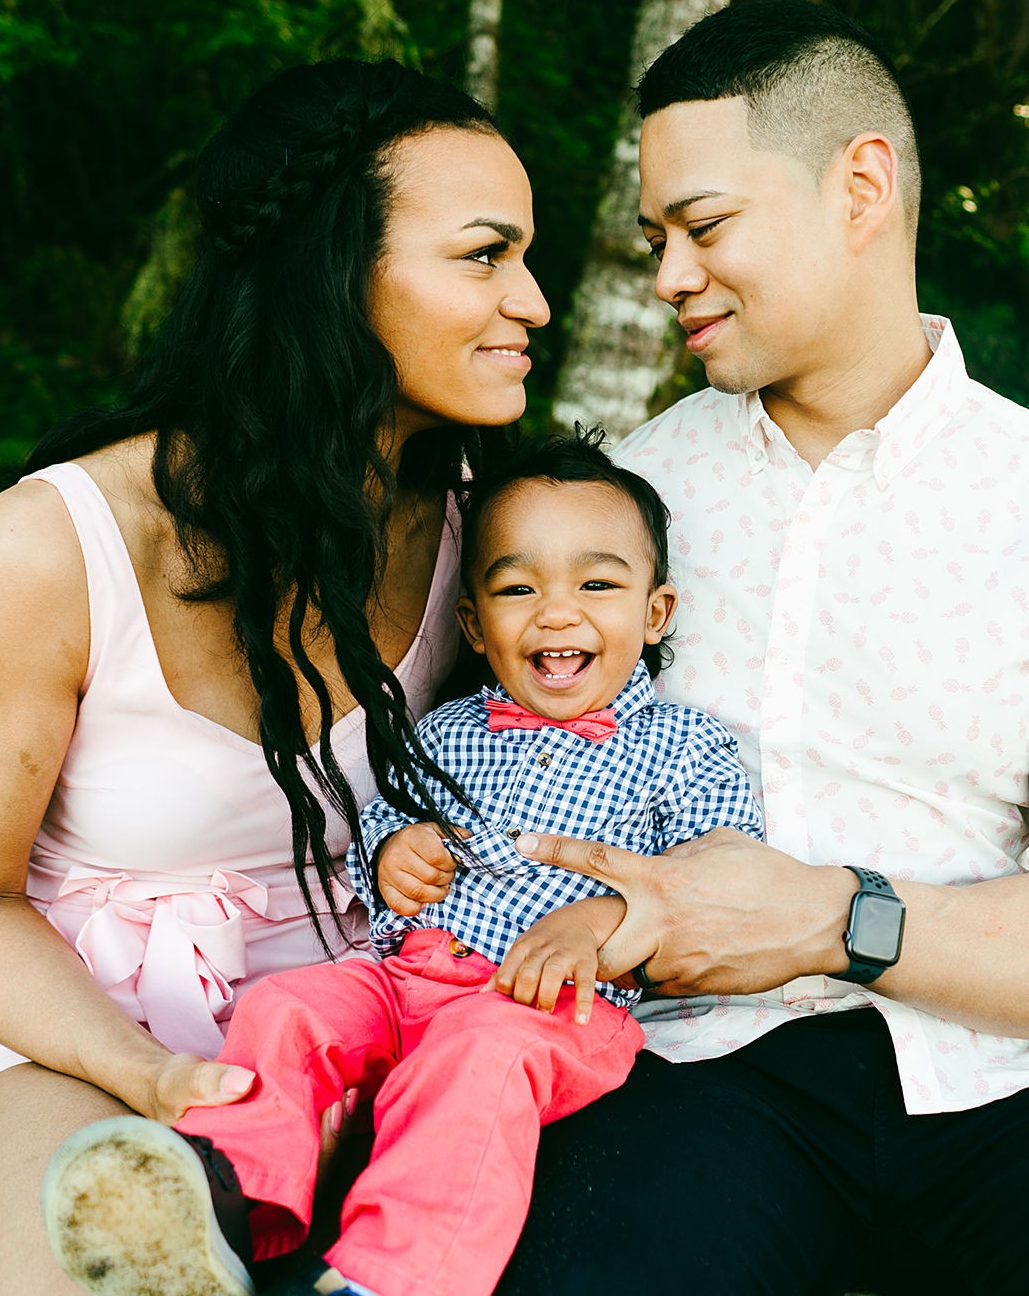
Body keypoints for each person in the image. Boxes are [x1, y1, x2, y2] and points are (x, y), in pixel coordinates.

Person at [498, 1, 1029, 1294]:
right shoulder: (616, 512)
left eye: (707, 226)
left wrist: (835, 917)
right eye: (655, 236)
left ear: (862, 186)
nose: (667, 274)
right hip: (684, 1080)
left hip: (1008, 1077)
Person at [0, 58, 549, 1296]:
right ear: (330, 273)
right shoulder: (52, 548)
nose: (533, 299)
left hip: (386, 1028)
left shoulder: (483, 534)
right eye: (484, 255)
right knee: (89, 1247)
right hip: (88, 1050)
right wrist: (156, 1082)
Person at [39, 432, 763, 1296]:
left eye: (597, 585)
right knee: (290, 1006)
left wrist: (603, 922)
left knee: (477, 1060)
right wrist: (394, 853)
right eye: (517, 588)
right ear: (474, 624)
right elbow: (389, 815)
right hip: (406, 977)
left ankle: (395, 1277)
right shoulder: (447, 729)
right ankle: (228, 1204)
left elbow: (715, 875)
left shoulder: (684, 746)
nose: (557, 612)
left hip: (546, 1011)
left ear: (654, 613)